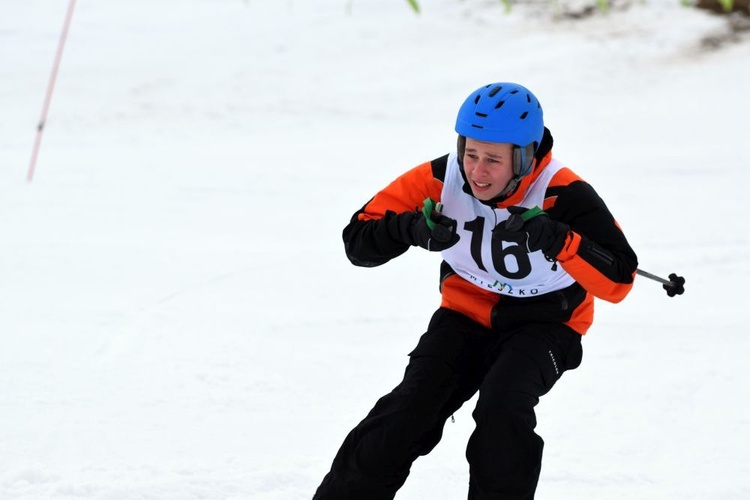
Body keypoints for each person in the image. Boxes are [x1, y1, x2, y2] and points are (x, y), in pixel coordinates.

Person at [312, 82, 638, 500]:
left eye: (493, 160)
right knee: (407, 413)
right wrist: (409, 229)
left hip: (546, 324)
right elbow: (357, 241)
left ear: (524, 158)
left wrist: (562, 241)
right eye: (471, 154)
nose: (477, 172)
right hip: (464, 316)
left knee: (502, 411)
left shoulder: (566, 193)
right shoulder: (440, 177)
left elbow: (619, 282)